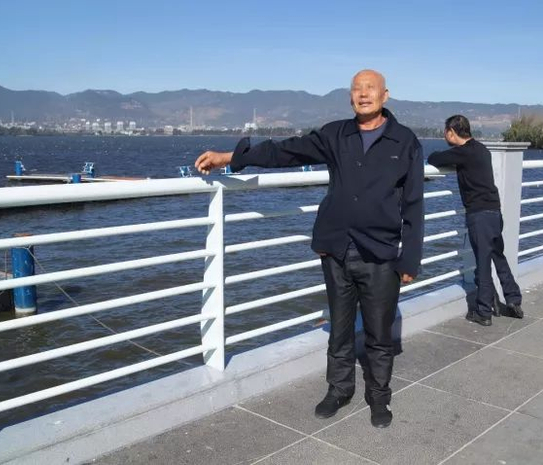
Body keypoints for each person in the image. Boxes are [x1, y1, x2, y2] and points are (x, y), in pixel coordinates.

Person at [195, 70, 424, 428]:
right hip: (337, 249)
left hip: (381, 254)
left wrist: (409, 258)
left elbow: (413, 203)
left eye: (370, 88)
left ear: (385, 95)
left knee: (380, 333)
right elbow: (286, 151)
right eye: (357, 89)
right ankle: (339, 389)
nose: (363, 94)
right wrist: (231, 157)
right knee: (339, 327)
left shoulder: (405, 141)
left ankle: (379, 396)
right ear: (350, 97)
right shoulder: (336, 134)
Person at [427, 115, 523, 326]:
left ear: (452, 132)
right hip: (494, 211)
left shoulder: (463, 152)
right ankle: (514, 300)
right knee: (498, 256)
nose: (444, 136)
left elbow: (434, 158)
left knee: (482, 260)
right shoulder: (481, 149)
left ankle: (483, 311)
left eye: (445, 132)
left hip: (479, 214)